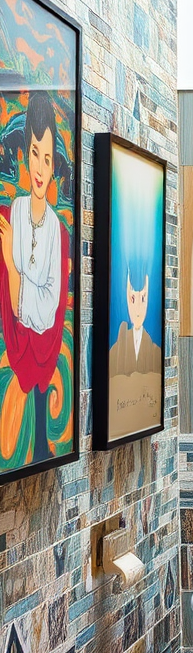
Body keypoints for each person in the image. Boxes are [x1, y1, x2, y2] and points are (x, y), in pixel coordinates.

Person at [0, 92, 68, 462]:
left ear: (54, 162)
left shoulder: (58, 230)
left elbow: (49, 305)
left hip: (44, 346)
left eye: (47, 157)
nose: (40, 169)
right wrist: (24, 287)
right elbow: (15, 307)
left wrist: (14, 270)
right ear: (26, 156)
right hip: (18, 342)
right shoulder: (13, 213)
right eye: (34, 155)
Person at [108, 269, 162, 381]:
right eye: (132, 299)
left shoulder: (156, 353)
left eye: (143, 298)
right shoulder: (114, 352)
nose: (138, 308)